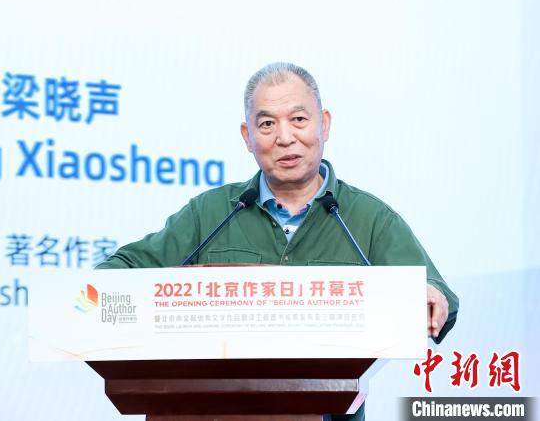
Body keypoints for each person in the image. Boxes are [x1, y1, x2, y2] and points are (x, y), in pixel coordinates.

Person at [96, 62, 459, 421]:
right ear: (247, 136)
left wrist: (430, 295)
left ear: (324, 124)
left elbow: (437, 295)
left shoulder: (369, 218)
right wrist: (94, 298)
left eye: (298, 119)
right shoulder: (211, 212)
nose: (285, 137)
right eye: (267, 124)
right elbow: (120, 272)